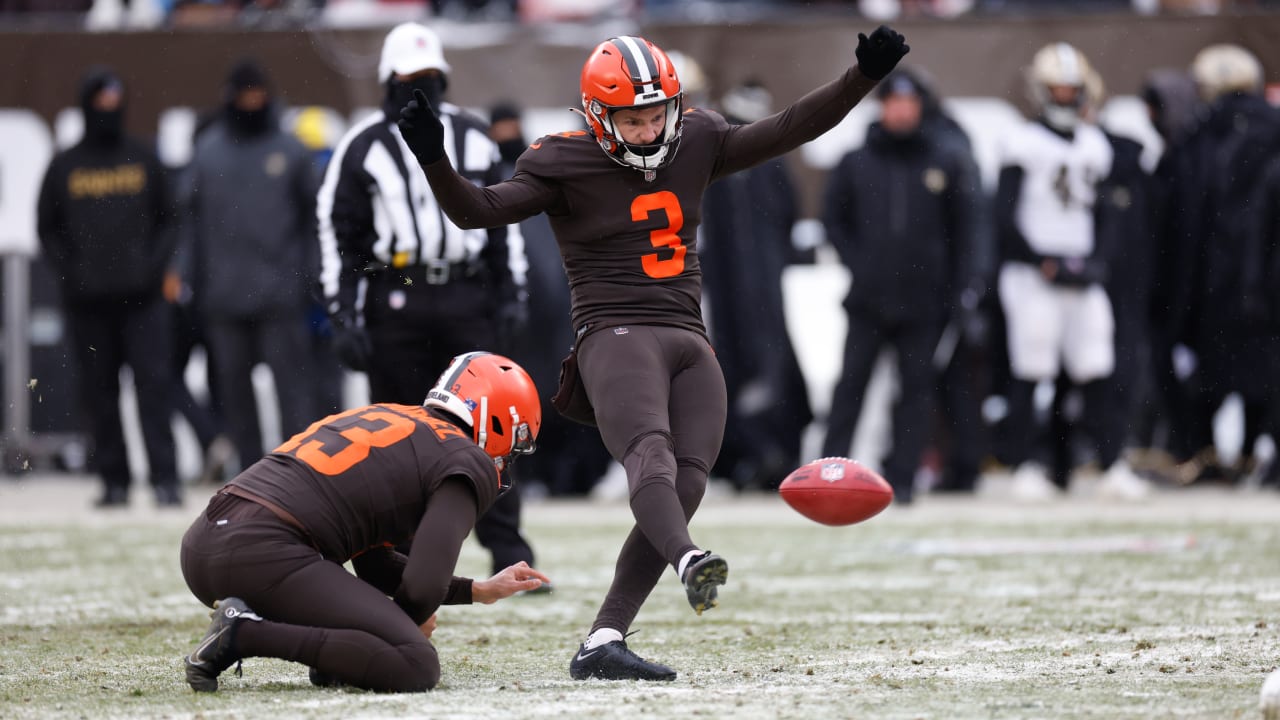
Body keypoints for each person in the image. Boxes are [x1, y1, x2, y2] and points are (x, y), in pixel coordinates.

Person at [396, 27, 909, 680]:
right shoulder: (562, 161)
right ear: (599, 117)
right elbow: (477, 211)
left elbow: (790, 128)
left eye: (655, 114)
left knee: (688, 478)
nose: (646, 130)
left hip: (688, 337)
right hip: (612, 333)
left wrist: (861, 75)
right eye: (631, 119)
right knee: (650, 456)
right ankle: (689, 558)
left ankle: (602, 639)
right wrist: (434, 160)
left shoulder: (696, 137)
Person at [180, 351, 550, 693]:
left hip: (205, 544)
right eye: (515, 444)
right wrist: (399, 630)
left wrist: (475, 590)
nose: (507, 459)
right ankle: (242, 633)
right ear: (497, 420)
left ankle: (307, 647)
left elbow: (375, 566)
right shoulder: (466, 458)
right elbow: (422, 586)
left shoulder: (395, 419)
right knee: (415, 664)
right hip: (265, 550)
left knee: (390, 646)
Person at [317, 22, 536, 577]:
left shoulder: (474, 136)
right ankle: (395, 554)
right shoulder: (362, 144)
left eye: (431, 79)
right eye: (412, 80)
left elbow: (501, 219)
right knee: (397, 429)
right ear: (389, 81)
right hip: (400, 291)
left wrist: (510, 292)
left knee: (490, 425)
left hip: (464, 289)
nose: (422, 91)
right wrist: (346, 312)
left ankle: (507, 544)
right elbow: (340, 234)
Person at [819, 68, 985, 504]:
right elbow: (834, 218)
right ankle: (826, 474)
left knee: (916, 391)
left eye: (910, 104)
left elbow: (966, 230)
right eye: (894, 102)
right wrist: (859, 263)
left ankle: (903, 478)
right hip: (869, 299)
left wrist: (962, 284)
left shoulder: (944, 159)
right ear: (882, 107)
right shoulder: (857, 161)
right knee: (850, 386)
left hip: (924, 301)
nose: (902, 111)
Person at [993, 42, 1148, 500]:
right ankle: (1023, 466)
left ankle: (1111, 463)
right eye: (1056, 90)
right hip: (1033, 272)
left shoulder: (1094, 144)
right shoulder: (1021, 141)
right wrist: (1038, 259)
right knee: (1031, 367)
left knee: (1097, 367)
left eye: (1070, 90)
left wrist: (1096, 259)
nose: (1064, 97)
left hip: (1080, 269)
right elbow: (1003, 214)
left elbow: (1104, 215)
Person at [36, 66, 181, 508]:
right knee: (100, 395)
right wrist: (73, 276)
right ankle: (114, 481)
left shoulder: (143, 157)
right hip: (89, 306)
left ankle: (164, 480)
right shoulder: (65, 165)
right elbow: (48, 230)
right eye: (100, 102)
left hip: (143, 303)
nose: (108, 111)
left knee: (154, 390)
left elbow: (169, 219)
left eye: (114, 102)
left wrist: (152, 271)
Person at [178, 58, 321, 474]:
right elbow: (191, 220)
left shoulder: (291, 151)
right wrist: (187, 276)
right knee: (235, 399)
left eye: (259, 94)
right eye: (246, 95)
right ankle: (249, 479)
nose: (252, 102)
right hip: (224, 296)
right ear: (231, 98)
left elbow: (313, 221)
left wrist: (308, 277)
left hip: (281, 294)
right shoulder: (208, 152)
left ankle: (303, 476)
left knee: (294, 395)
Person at [701, 78, 813, 492]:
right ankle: (746, 453)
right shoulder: (720, 150)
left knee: (763, 366)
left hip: (756, 288)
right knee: (735, 366)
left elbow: (786, 218)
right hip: (730, 288)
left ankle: (767, 451)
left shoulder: (765, 154)